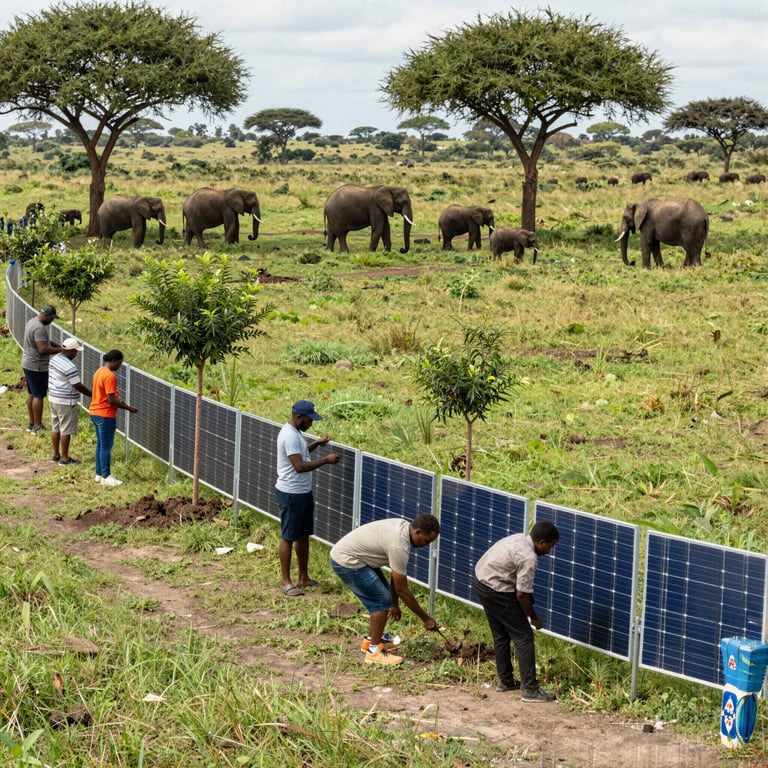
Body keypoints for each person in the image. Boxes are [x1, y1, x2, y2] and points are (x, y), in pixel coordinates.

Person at [330, 513, 441, 666]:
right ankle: (374, 652)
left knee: (384, 597)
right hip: (347, 560)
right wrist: (426, 619)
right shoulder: (399, 545)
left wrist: (394, 605)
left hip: (357, 557)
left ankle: (370, 642)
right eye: (427, 541)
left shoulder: (404, 527)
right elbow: (402, 589)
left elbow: (397, 578)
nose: (426, 545)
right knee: (381, 601)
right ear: (418, 532)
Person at [473, 520, 560, 702]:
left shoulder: (519, 538)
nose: (549, 552)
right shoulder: (529, 558)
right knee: (524, 637)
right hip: (496, 589)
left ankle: (505, 681)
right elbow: (522, 595)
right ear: (542, 542)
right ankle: (530, 689)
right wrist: (533, 618)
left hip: (481, 580)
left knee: (501, 635)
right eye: (550, 547)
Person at [274, 400, 340, 596]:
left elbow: (300, 455)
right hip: (291, 493)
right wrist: (326, 461)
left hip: (302, 492)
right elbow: (299, 466)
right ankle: (286, 583)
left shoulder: (296, 434)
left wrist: (316, 444)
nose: (311, 424)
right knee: (288, 536)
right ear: (299, 417)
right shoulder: (289, 436)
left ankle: (303, 577)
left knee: (303, 536)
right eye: (310, 420)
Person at [89, 349, 138, 486]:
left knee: (100, 444)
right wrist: (128, 408)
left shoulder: (99, 371)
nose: (120, 366)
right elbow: (111, 400)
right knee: (106, 446)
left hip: (95, 411)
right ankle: (106, 476)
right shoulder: (110, 377)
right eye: (119, 363)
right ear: (113, 361)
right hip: (106, 414)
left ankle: (98, 474)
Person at [48, 337, 92, 465]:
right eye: (76, 351)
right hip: (65, 401)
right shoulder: (70, 367)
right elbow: (77, 385)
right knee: (66, 429)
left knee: (55, 427)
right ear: (71, 351)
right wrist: (93, 394)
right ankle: (65, 458)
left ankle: (56, 454)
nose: (76, 354)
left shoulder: (55, 359)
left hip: (53, 397)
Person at [21, 304, 61, 433]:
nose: (52, 321)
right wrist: (61, 350)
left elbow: (45, 342)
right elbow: (43, 349)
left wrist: (60, 346)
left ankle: (31, 423)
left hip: (27, 363)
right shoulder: (39, 328)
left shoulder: (32, 322)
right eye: (52, 318)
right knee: (38, 395)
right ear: (46, 316)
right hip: (37, 365)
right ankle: (38, 426)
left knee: (32, 393)